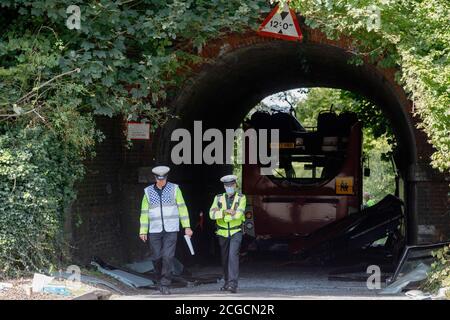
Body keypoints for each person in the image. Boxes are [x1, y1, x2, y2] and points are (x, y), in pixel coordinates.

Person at [139, 165, 193, 295]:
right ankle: (159, 279)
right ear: (155, 178)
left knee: (168, 257)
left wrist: (187, 226)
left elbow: (182, 208)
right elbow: (144, 213)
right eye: (159, 179)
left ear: (166, 177)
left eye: (163, 179)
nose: (161, 181)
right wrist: (143, 230)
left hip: (171, 228)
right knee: (157, 257)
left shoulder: (175, 189)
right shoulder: (147, 192)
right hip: (154, 229)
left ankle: (165, 284)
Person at [209, 175, 246, 293]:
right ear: (224, 186)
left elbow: (238, 215)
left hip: (236, 231)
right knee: (224, 259)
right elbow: (211, 215)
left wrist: (221, 214)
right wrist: (226, 212)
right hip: (222, 233)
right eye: (227, 186)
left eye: (231, 185)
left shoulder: (241, 198)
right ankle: (226, 282)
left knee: (232, 257)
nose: (229, 187)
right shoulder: (218, 198)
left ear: (235, 185)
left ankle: (233, 284)